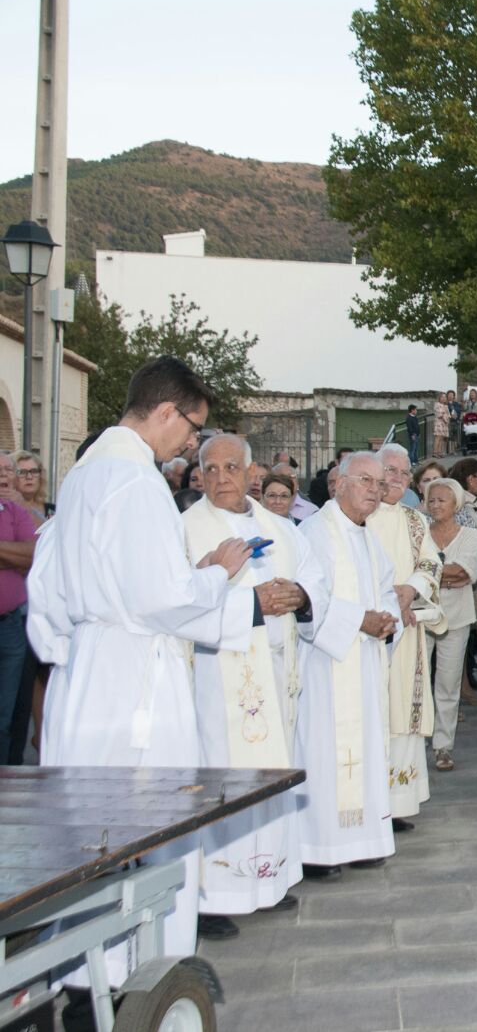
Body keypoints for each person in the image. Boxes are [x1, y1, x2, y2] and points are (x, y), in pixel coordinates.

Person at [27, 355, 256, 988]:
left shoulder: (82, 475)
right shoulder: (134, 483)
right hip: (135, 682)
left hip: (88, 672)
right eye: (190, 429)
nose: (191, 443)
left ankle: (82, 976)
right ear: (164, 412)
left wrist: (75, 652)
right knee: (147, 824)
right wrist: (217, 572)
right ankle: (148, 974)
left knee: (91, 833)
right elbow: (161, 599)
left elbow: (43, 593)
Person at [182, 434, 324, 939]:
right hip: (217, 682)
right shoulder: (186, 530)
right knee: (222, 778)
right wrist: (254, 606)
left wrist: (300, 594)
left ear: (250, 473)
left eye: (230, 467)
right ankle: (213, 896)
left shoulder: (279, 527)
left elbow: (314, 578)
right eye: (210, 468)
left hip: (277, 671)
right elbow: (178, 605)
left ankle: (271, 877)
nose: (220, 477)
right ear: (199, 474)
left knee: (269, 772)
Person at [295, 452, 401, 877]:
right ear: (338, 483)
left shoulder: (366, 536)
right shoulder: (314, 533)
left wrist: (387, 619)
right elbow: (308, 601)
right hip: (326, 666)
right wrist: (361, 620)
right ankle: (320, 847)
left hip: (365, 660)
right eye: (365, 481)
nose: (374, 491)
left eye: (380, 484)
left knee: (366, 748)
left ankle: (361, 839)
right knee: (325, 751)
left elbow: (384, 588)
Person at [370, 444, 444, 828]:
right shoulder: (357, 517)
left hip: (407, 632)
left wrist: (412, 588)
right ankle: (369, 801)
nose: (398, 479)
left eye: (403, 473)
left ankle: (398, 803)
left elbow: (431, 561)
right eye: (391, 471)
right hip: (366, 635)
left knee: (402, 713)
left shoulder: (414, 521)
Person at [423, 477, 477, 772]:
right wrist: (445, 575)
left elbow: (465, 573)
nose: (435, 505)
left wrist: (431, 574)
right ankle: (417, 737)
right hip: (421, 615)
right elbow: (412, 569)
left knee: (447, 683)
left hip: (456, 618)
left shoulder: (470, 535)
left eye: (442, 500)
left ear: (455, 503)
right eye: (431, 500)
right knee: (417, 681)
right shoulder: (419, 533)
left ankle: (443, 745)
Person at [0, 454, 35, 765]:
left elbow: (33, 554)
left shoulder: (16, 512)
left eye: (7, 470)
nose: (4, 476)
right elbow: (19, 555)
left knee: (5, 716)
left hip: (9, 626)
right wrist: (12, 554)